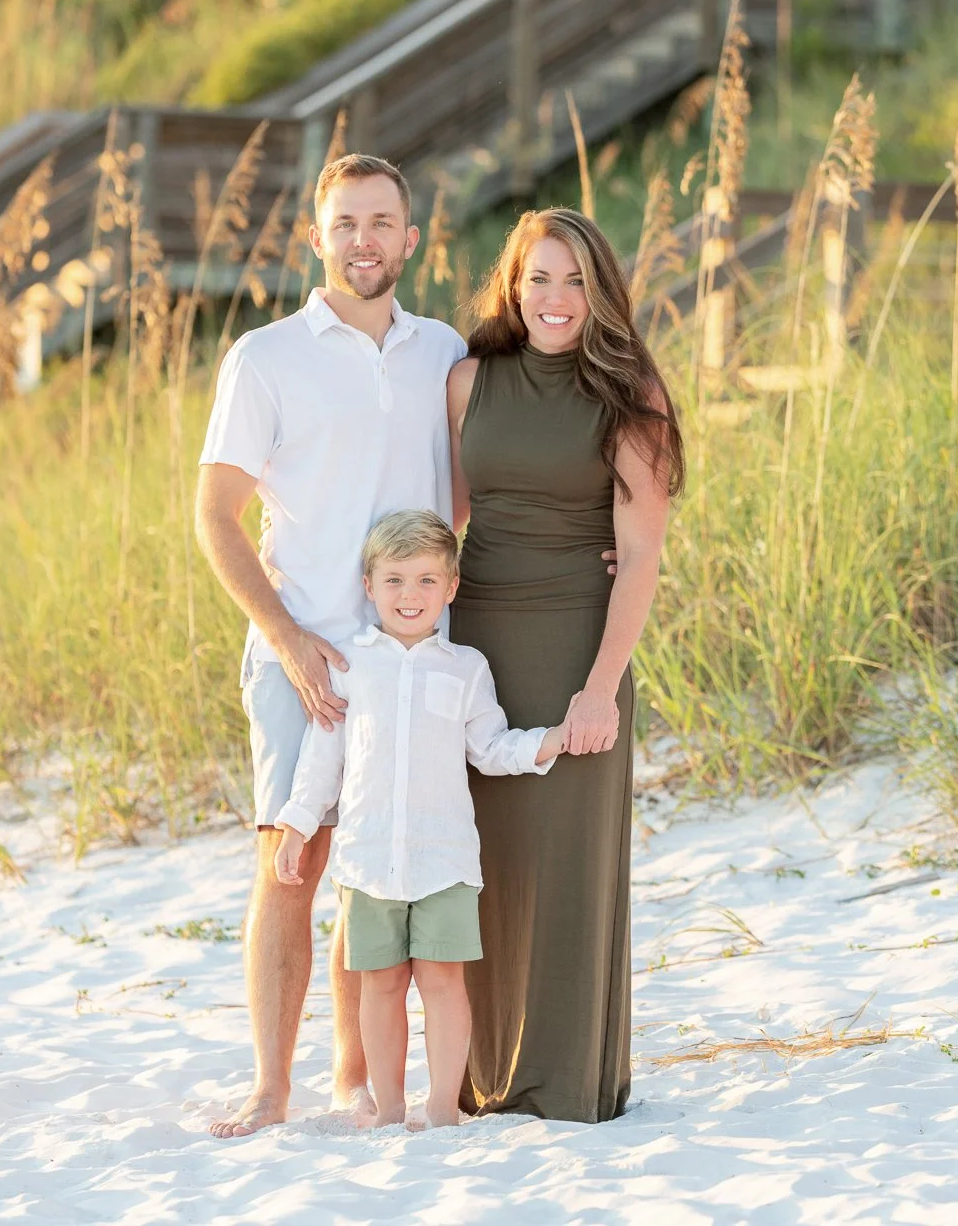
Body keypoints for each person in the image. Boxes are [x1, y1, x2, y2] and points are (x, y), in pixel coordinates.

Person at [194, 154, 463, 1138]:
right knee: (291, 861)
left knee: (376, 870)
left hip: (407, 664)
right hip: (301, 656)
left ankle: (357, 1072)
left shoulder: (443, 351)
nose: (364, 239)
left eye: (382, 221)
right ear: (317, 239)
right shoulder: (264, 358)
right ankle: (271, 1085)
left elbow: (457, 491)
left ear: (410, 237)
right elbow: (214, 513)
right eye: (345, 222)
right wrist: (287, 635)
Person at [448, 207, 685, 1123]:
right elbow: (451, 517)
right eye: (538, 278)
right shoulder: (469, 383)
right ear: (512, 285)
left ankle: (562, 1082)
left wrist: (598, 689)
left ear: (602, 293)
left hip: (578, 643)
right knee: (485, 862)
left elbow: (643, 554)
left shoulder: (633, 398)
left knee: (566, 863)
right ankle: (480, 1079)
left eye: (575, 281)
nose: (555, 299)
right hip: (474, 647)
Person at [273, 510, 576, 1129]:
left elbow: (490, 749)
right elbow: (322, 756)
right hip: (367, 855)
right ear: (369, 586)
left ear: (452, 587)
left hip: (444, 858)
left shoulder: (466, 668)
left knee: (443, 983)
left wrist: (552, 741)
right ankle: (388, 1108)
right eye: (394, 581)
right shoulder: (349, 667)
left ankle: (440, 1107)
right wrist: (298, 824)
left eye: (425, 581)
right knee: (379, 986)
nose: (409, 596)